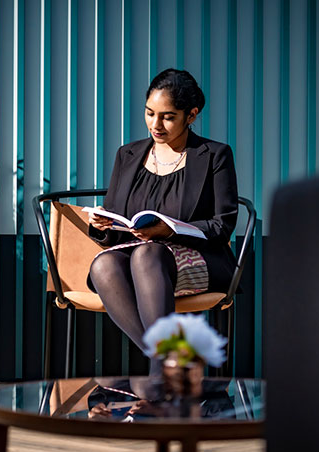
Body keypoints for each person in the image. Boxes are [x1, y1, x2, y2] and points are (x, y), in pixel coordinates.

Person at [87, 69, 239, 373]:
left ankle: (162, 377)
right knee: (103, 264)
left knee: (148, 254)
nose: (155, 125)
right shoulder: (127, 154)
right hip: (136, 253)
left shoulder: (213, 155)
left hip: (199, 256)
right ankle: (169, 366)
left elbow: (222, 226)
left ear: (191, 115)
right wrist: (101, 225)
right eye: (149, 113)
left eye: (168, 117)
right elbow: (116, 226)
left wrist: (170, 230)